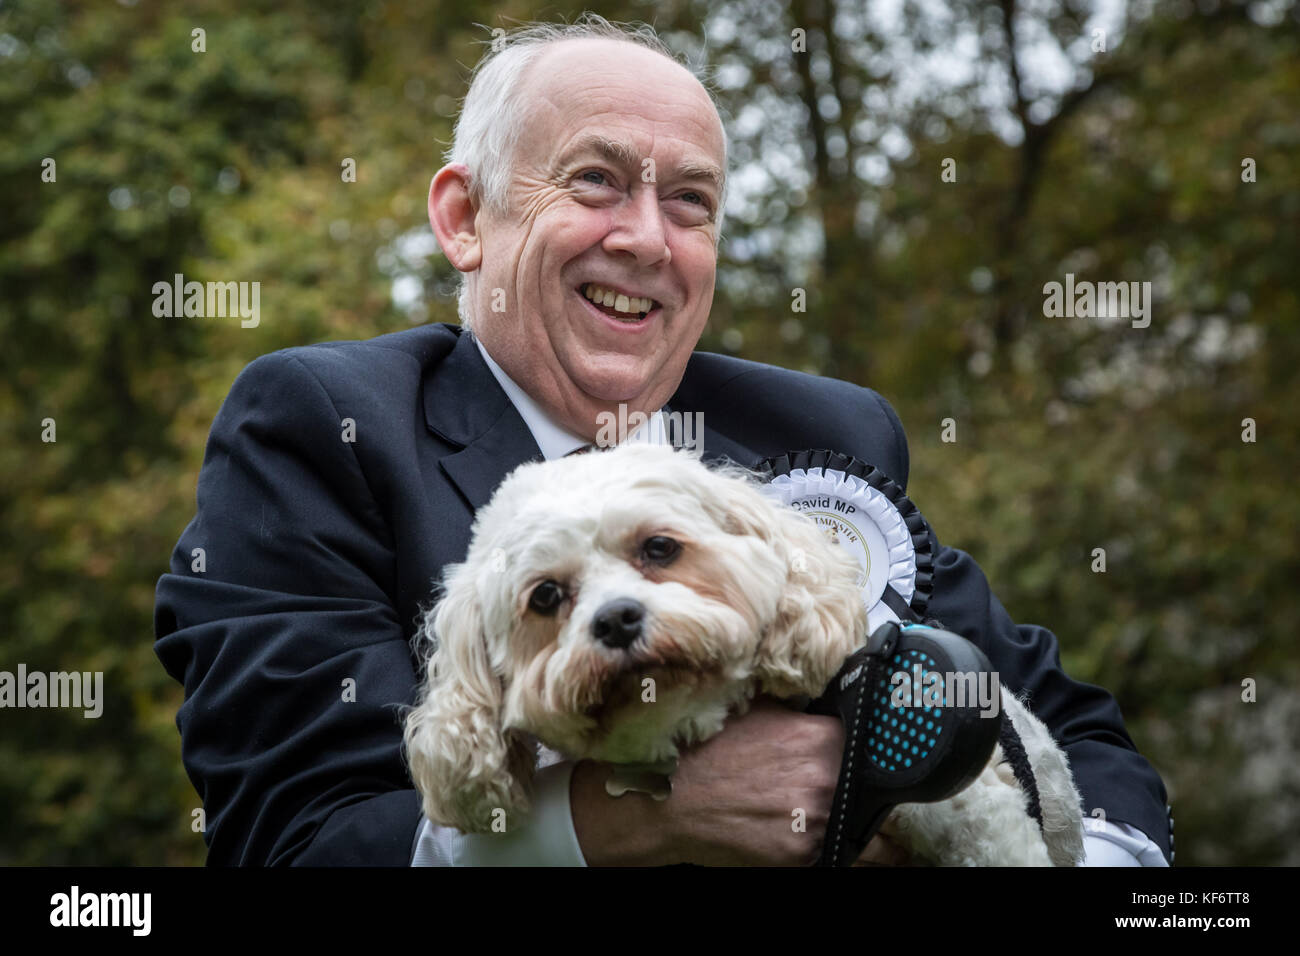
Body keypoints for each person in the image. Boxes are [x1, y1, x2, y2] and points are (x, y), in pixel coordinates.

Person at [153, 17, 1172, 867]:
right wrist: (630, 817)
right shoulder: (321, 425)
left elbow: (1071, 730)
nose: (646, 238)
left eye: (689, 200)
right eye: (595, 180)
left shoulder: (823, 433)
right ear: (466, 217)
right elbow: (295, 837)